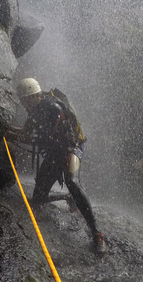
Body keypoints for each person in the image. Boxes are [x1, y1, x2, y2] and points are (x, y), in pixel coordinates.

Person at [8, 77, 106, 253]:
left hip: (71, 149)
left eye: (25, 99)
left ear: (34, 96)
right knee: (38, 197)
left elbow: (37, 139)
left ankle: (97, 234)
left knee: (72, 182)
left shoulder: (52, 108)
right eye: (22, 100)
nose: (23, 104)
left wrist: (10, 135)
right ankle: (67, 198)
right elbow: (25, 132)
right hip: (56, 150)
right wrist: (6, 129)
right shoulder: (35, 109)